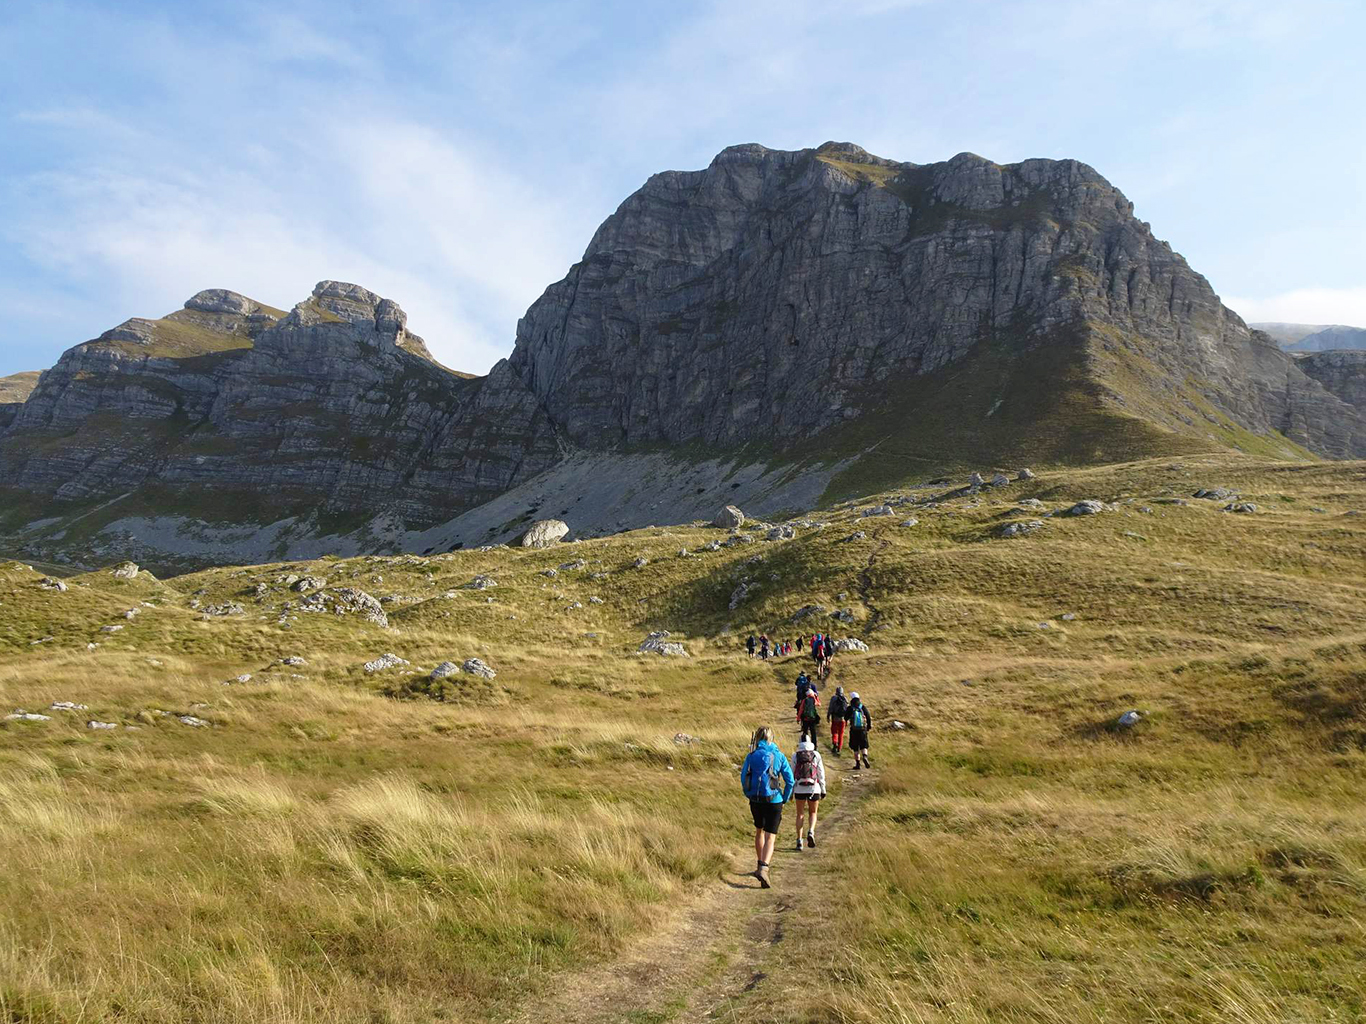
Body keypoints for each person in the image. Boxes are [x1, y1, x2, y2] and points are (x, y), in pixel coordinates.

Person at [740, 726, 793, 888]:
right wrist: (784, 798)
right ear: (772, 738)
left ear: (757, 738)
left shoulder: (751, 755)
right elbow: (790, 780)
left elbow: (743, 777)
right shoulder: (779, 755)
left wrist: (747, 793)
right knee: (771, 836)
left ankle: (758, 865)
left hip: (755, 800)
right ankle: (764, 867)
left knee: (759, 831)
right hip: (774, 800)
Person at [791, 739, 827, 850]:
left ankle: (799, 841)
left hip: (799, 787)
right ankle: (811, 831)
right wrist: (823, 788)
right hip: (814, 787)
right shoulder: (816, 754)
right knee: (812, 812)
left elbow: (791, 772)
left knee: (800, 814)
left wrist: (791, 790)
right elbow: (821, 772)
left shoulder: (795, 755)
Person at [844, 691, 872, 769]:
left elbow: (845, 717)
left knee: (855, 747)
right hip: (863, 729)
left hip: (854, 730)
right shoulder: (862, 707)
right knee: (864, 745)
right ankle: (865, 756)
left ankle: (858, 764)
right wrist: (869, 726)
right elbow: (868, 716)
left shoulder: (850, 708)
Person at [827, 685, 848, 754]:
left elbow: (830, 708)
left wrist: (828, 716)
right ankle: (839, 748)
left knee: (834, 732)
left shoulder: (833, 698)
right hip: (842, 719)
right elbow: (847, 710)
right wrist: (847, 720)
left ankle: (835, 743)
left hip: (835, 718)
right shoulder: (845, 699)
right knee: (841, 734)